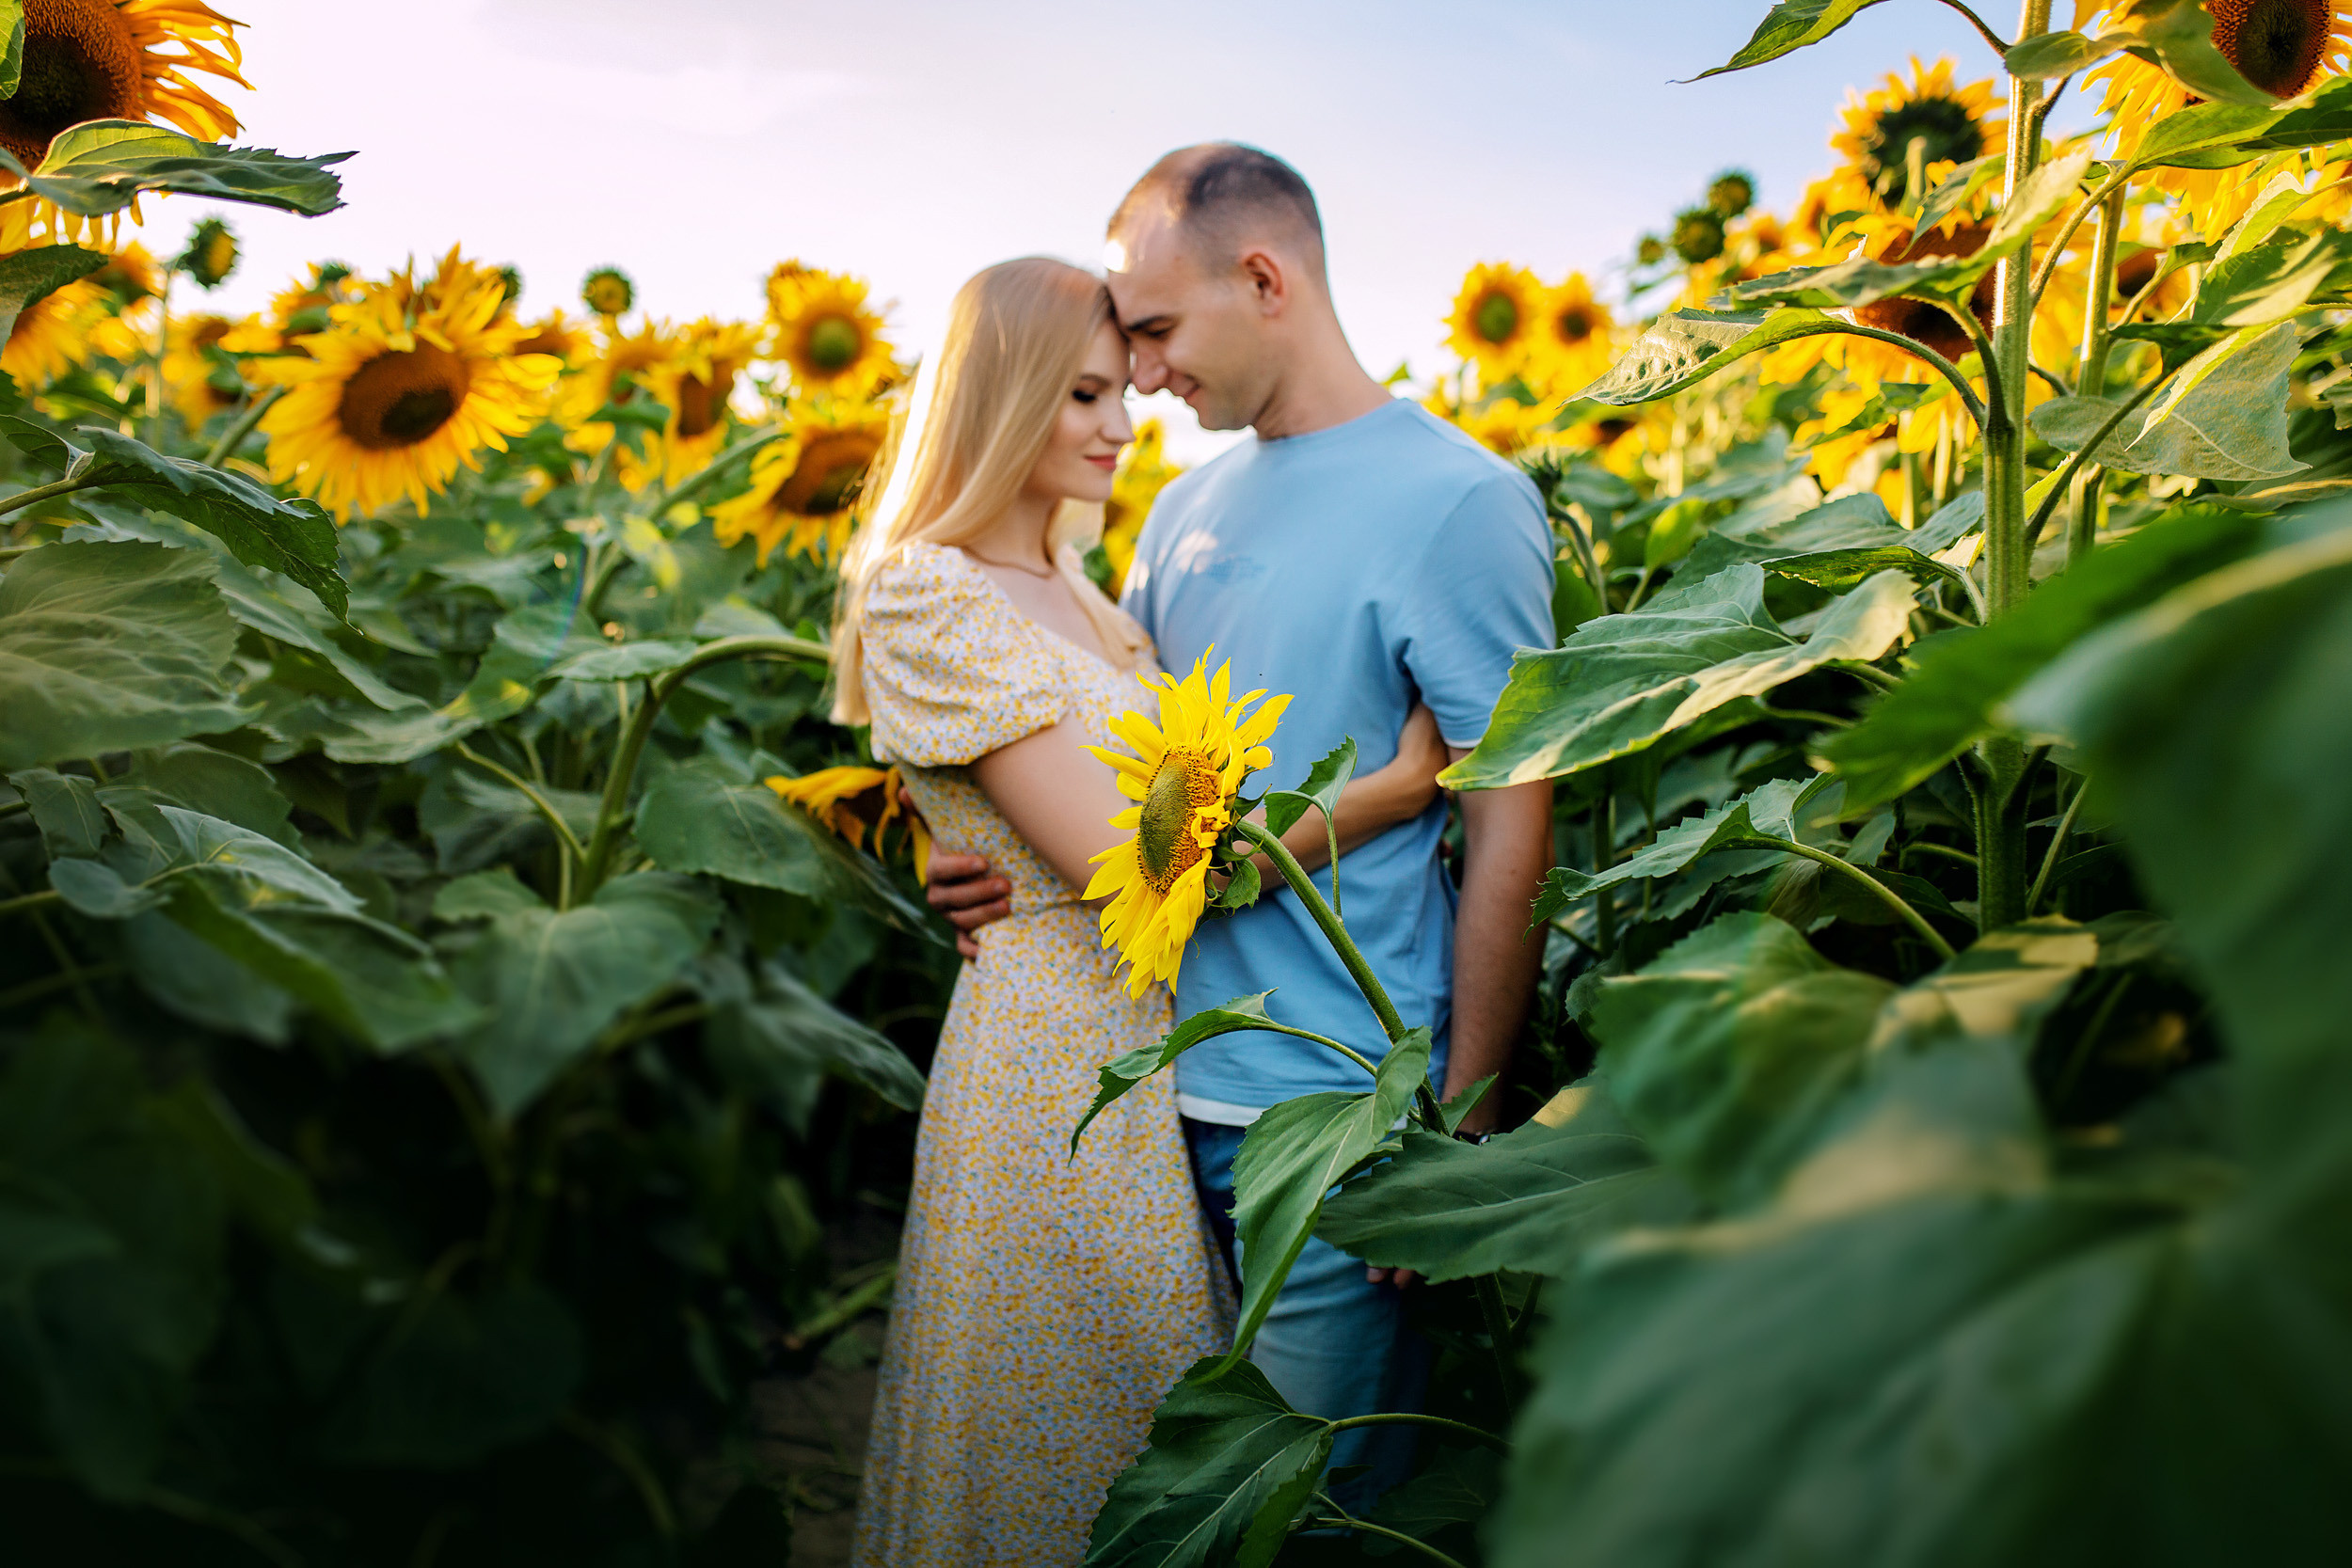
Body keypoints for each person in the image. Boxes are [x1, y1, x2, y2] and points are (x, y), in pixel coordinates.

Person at [923, 146, 1556, 1508]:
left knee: (1306, 1510)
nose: (1143, 378)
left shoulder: (1460, 501)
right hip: (1138, 1106)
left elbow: (1516, 824)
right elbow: (1105, 763)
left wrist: (1463, 1118)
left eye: (1155, 332)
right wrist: (966, 841)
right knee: (1167, 1505)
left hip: (1337, 1112)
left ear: (1264, 278)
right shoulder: (1181, 511)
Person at [839, 255, 1449, 1568]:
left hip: (1160, 1048)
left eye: (1121, 391)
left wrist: (967, 845)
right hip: (1052, 1077)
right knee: (1066, 1442)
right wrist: (1393, 793)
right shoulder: (927, 587)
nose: (1121, 424)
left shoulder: (1083, 588)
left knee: (1146, 1431)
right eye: (1082, 395)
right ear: (1000, 394)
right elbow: (1142, 865)